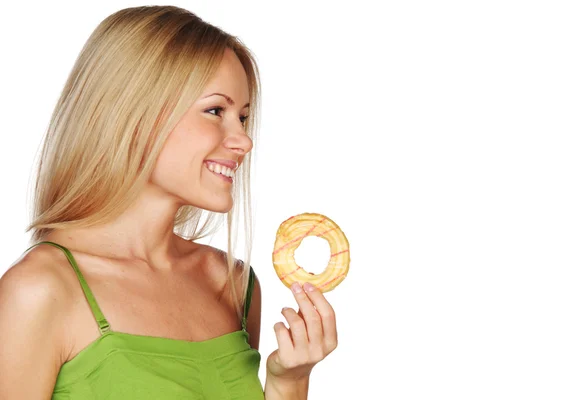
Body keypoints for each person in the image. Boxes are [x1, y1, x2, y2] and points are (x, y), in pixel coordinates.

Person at [0, 5, 338, 399]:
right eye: (216, 111)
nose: (243, 140)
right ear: (132, 115)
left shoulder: (231, 285)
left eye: (242, 117)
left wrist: (288, 381)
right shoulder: (40, 291)